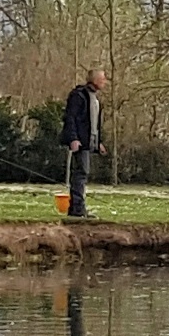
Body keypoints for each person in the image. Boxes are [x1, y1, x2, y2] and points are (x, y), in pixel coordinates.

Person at [61, 68, 108, 222]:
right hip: (81, 142)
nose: (105, 81)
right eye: (103, 79)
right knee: (81, 173)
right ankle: (77, 209)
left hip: (89, 142)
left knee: (83, 173)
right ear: (95, 80)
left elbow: (94, 124)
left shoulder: (94, 98)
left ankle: (77, 208)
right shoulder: (79, 95)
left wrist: (98, 142)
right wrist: (73, 139)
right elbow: (70, 118)